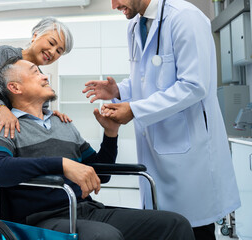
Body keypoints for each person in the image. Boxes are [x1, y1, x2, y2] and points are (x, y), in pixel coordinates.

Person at [0, 56, 195, 240]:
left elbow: (100, 174)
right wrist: (62, 165)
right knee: (105, 236)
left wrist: (110, 134)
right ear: (15, 87)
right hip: (41, 219)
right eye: (35, 72)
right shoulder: (5, 126)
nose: (45, 76)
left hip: (85, 210)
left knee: (175, 223)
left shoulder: (62, 124)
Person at [82, 0, 241, 239]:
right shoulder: (135, 25)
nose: (114, 5)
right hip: (155, 152)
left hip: (188, 155)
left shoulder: (185, 17)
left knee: (193, 229)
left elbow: (194, 85)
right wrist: (119, 91)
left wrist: (135, 110)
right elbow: (148, 80)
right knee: (163, 227)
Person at [0, 17, 74, 216]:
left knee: (4, 211)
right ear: (35, 35)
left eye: (59, 51)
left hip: (12, 154)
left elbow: (36, 111)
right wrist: (1, 109)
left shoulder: (40, 76)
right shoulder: (6, 54)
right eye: (51, 43)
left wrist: (50, 114)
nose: (53, 52)